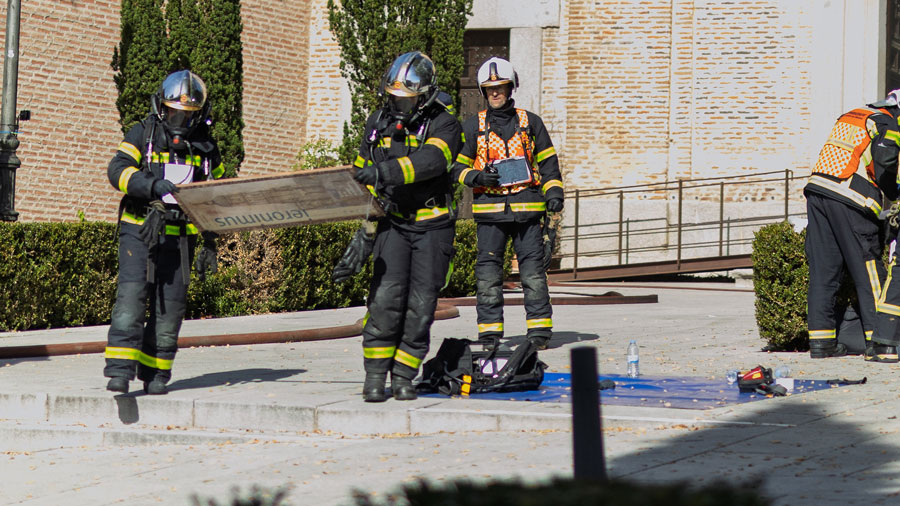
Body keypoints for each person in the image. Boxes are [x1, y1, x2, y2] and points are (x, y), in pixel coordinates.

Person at [332, 51, 462, 402]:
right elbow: (364, 177)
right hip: (392, 223)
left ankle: (404, 375)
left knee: (420, 308)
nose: (397, 106)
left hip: (432, 227)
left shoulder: (445, 123)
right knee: (384, 302)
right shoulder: (377, 122)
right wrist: (364, 229)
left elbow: (431, 161)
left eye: (405, 100)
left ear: (425, 96)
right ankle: (374, 377)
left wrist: (384, 172)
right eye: (393, 98)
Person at [104, 70, 224, 394]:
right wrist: (151, 185)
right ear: (161, 106)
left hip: (180, 238)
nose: (180, 122)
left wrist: (211, 240)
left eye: (187, 116)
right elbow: (117, 171)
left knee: (171, 309)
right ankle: (119, 371)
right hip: (139, 229)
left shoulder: (206, 149)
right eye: (174, 113)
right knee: (131, 299)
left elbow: (216, 194)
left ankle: (156, 373)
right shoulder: (142, 133)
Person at [450, 57, 564, 351]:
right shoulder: (473, 126)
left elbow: (549, 164)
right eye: (490, 89)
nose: (495, 93)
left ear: (511, 88)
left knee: (533, 273)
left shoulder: (531, 123)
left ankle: (539, 330)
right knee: (487, 275)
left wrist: (554, 194)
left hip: (527, 210)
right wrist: (477, 177)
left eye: (500, 87)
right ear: (484, 92)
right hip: (490, 213)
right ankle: (489, 332)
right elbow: (456, 168)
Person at [804, 90, 900, 361]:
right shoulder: (886, 123)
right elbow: (885, 164)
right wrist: (894, 195)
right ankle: (876, 341)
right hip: (851, 195)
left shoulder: (855, 115)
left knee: (824, 270)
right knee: (868, 268)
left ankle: (821, 344)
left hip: (818, 191)